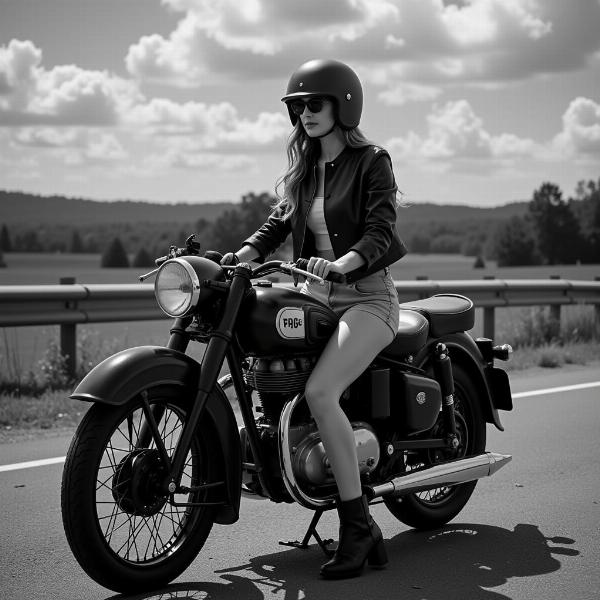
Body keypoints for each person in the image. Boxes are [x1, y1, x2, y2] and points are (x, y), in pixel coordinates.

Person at [221, 58, 407, 579]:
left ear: (343, 104)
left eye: (315, 103)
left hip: (368, 298)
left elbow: (380, 231)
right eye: (297, 106)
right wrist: (240, 256)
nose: (305, 113)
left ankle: (358, 526)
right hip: (316, 296)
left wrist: (342, 264)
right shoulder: (304, 170)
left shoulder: (372, 160)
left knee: (322, 393)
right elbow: (277, 223)